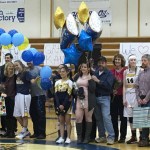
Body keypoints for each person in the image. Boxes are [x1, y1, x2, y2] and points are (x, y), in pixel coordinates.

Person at [92, 56, 115, 145]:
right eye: (99, 62)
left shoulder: (109, 74)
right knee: (98, 118)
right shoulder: (96, 72)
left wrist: (97, 81)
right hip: (96, 98)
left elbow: (108, 86)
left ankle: (111, 137)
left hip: (105, 98)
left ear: (105, 63)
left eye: (102, 62)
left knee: (106, 117)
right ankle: (102, 136)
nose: (100, 64)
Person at [75, 62, 96, 143]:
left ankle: (87, 138)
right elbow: (73, 86)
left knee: (88, 118)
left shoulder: (91, 77)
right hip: (79, 100)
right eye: (82, 67)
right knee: (78, 118)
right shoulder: (77, 76)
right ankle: (79, 137)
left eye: (85, 67)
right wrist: (76, 91)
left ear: (88, 69)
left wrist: (90, 79)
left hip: (89, 100)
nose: (83, 68)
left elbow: (93, 89)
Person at [123, 55, 142, 144]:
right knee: (130, 117)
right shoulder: (125, 72)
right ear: (129, 62)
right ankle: (133, 136)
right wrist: (124, 98)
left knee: (138, 116)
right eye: (131, 60)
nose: (133, 61)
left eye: (134, 60)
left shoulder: (140, 70)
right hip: (128, 96)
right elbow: (124, 86)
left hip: (137, 96)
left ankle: (142, 136)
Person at [27, 62, 46, 139]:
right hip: (31, 96)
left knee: (40, 114)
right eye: (27, 61)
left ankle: (42, 133)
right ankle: (36, 132)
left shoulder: (39, 69)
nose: (29, 63)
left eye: (30, 61)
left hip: (40, 95)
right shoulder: (27, 70)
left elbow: (46, 78)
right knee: (33, 114)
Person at [111, 54, 127, 143]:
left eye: (119, 59)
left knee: (123, 117)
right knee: (113, 117)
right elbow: (109, 84)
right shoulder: (111, 71)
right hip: (114, 97)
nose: (117, 61)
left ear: (122, 61)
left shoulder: (126, 70)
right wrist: (112, 90)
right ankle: (115, 135)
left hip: (123, 97)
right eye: (116, 59)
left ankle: (123, 136)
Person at [54, 65, 73, 144]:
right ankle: (61, 137)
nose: (61, 73)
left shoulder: (70, 82)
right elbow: (56, 95)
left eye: (63, 71)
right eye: (60, 72)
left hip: (67, 104)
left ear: (67, 72)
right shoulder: (57, 82)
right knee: (61, 121)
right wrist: (58, 105)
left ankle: (68, 137)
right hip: (59, 104)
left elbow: (69, 94)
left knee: (67, 121)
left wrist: (64, 105)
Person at [13, 60, 31, 139]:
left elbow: (31, 81)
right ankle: (26, 130)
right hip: (18, 95)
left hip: (24, 95)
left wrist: (35, 80)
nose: (16, 67)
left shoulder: (26, 72)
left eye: (17, 65)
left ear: (21, 64)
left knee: (24, 115)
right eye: (15, 65)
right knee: (16, 115)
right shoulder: (18, 74)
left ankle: (24, 131)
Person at [135, 54, 150, 147]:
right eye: (142, 60)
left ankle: (145, 138)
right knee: (143, 120)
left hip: (148, 98)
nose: (143, 62)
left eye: (144, 60)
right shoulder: (140, 73)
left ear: (149, 61)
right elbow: (136, 87)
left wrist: (146, 99)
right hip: (141, 98)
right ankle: (144, 139)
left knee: (148, 119)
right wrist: (138, 98)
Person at [0, 53, 17, 136]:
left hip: (12, 97)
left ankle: (12, 131)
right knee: (6, 115)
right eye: (8, 67)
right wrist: (2, 92)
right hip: (5, 98)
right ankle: (8, 130)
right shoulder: (5, 77)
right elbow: (2, 86)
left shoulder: (15, 76)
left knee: (12, 115)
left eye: (11, 67)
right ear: (6, 68)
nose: (10, 68)